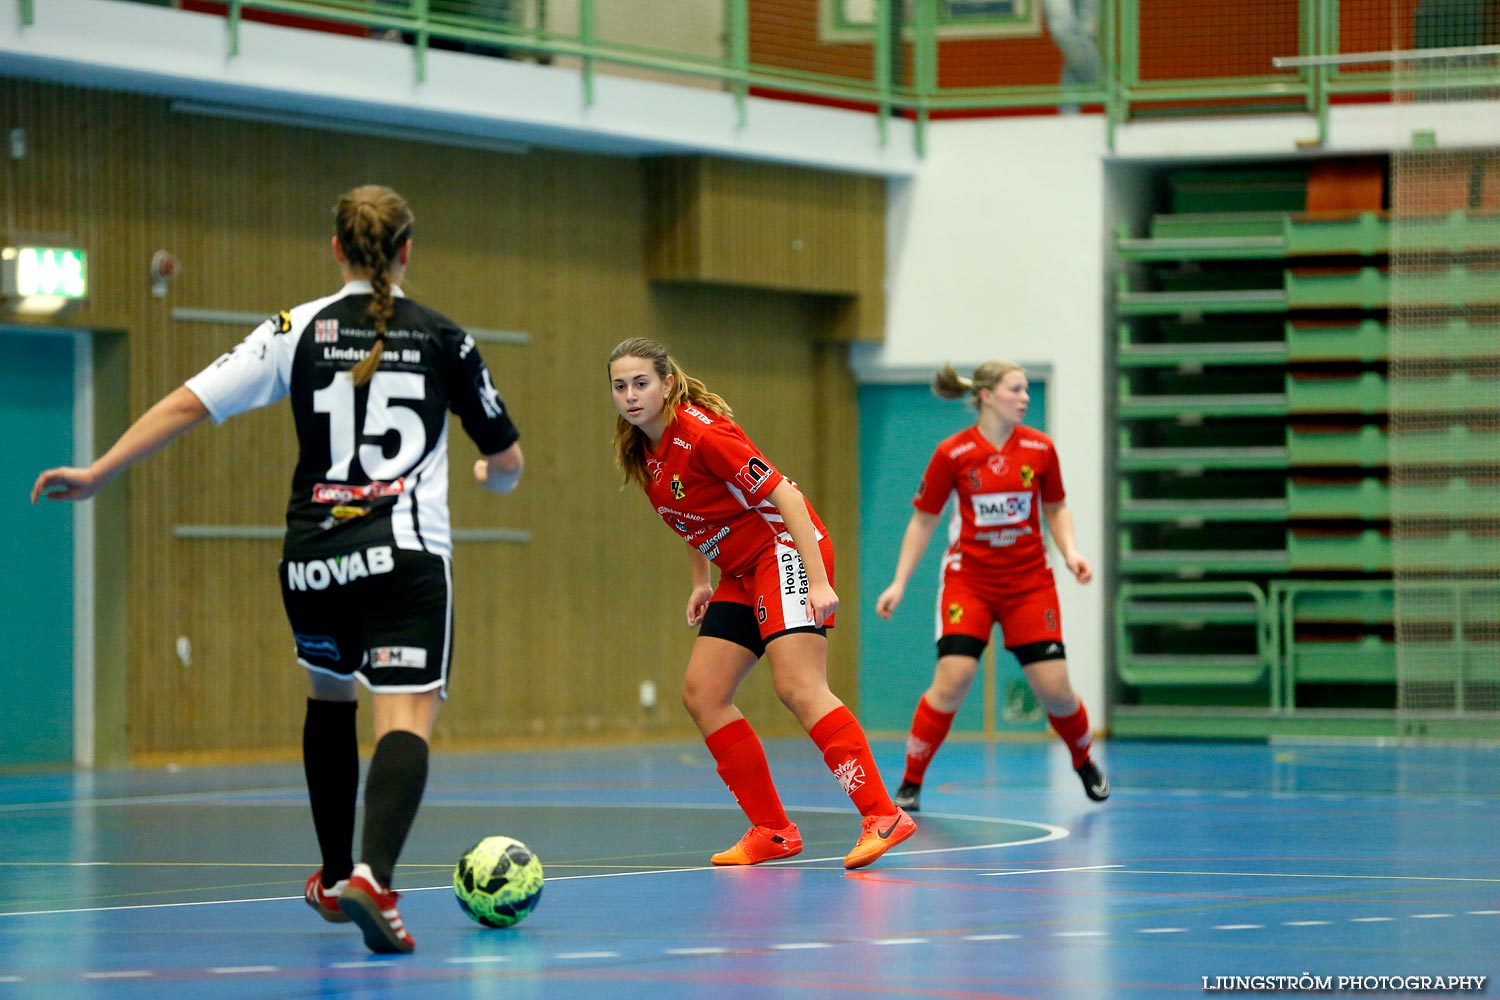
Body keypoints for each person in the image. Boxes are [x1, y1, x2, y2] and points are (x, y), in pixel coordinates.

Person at [30, 185, 524, 955]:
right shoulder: (444, 338)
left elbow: (189, 403)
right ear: (406, 250)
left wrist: (100, 469)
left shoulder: (297, 328)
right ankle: (374, 877)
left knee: (329, 698)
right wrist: (497, 479)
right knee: (405, 714)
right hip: (405, 556)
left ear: (336, 250)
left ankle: (332, 877)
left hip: (314, 560)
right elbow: (507, 458)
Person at [607, 337, 915, 871]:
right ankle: (772, 830)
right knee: (703, 693)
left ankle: (882, 814)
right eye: (620, 386)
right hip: (742, 570)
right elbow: (690, 514)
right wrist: (701, 581)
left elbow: (787, 498)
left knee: (798, 685)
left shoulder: (703, 434)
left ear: (668, 385)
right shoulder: (644, 451)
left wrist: (817, 583)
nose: (631, 395)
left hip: (786, 552)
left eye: (641, 383)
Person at [874, 361, 1108, 812]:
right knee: (954, 679)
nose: (1024, 398)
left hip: (1029, 583)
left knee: (1055, 689)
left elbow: (1056, 507)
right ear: (986, 396)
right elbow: (924, 519)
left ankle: (1083, 761)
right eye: (1016, 389)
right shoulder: (953, 453)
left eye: (1026, 390)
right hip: (970, 583)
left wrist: (1072, 552)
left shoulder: (1040, 449)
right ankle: (910, 782)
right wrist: (899, 582)